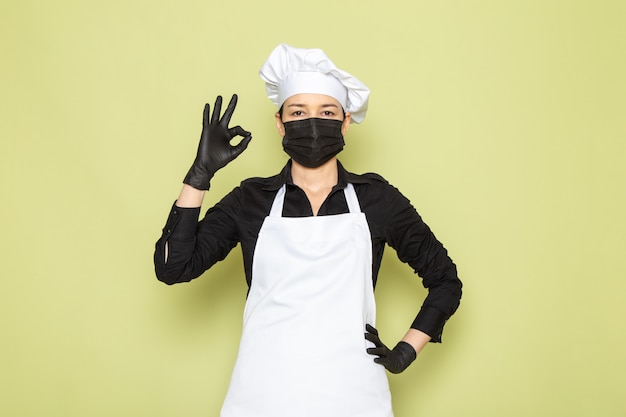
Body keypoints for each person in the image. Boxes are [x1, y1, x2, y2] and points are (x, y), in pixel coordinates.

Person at [154, 44, 462, 417]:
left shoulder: (377, 199)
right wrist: (198, 176)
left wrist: (406, 351)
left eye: (326, 112)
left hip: (354, 395)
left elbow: (445, 279)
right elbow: (172, 267)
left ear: (345, 122)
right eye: (299, 112)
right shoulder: (250, 200)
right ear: (280, 123)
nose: (312, 123)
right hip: (262, 393)